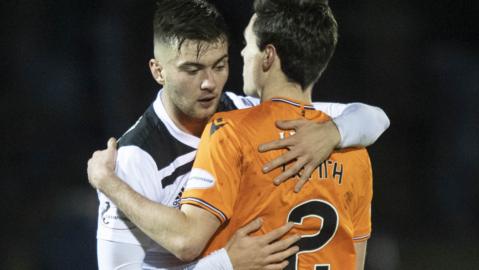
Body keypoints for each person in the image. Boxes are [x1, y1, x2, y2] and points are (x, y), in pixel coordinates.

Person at [92, 0, 389, 269]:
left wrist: (333, 132)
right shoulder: (133, 160)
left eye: (219, 66)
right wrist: (225, 264)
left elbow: (373, 117)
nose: (209, 83)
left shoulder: (243, 112)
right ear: (158, 71)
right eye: (192, 70)